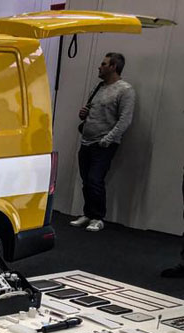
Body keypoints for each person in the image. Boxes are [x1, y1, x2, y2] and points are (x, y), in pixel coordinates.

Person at [71, 52, 135, 233]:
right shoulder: (98, 87)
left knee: (95, 180)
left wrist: (107, 140)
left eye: (104, 64)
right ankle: (88, 214)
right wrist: (84, 114)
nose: (99, 67)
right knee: (86, 180)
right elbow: (90, 112)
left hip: (104, 144)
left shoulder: (125, 90)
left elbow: (125, 119)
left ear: (113, 67)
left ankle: (98, 217)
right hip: (86, 141)